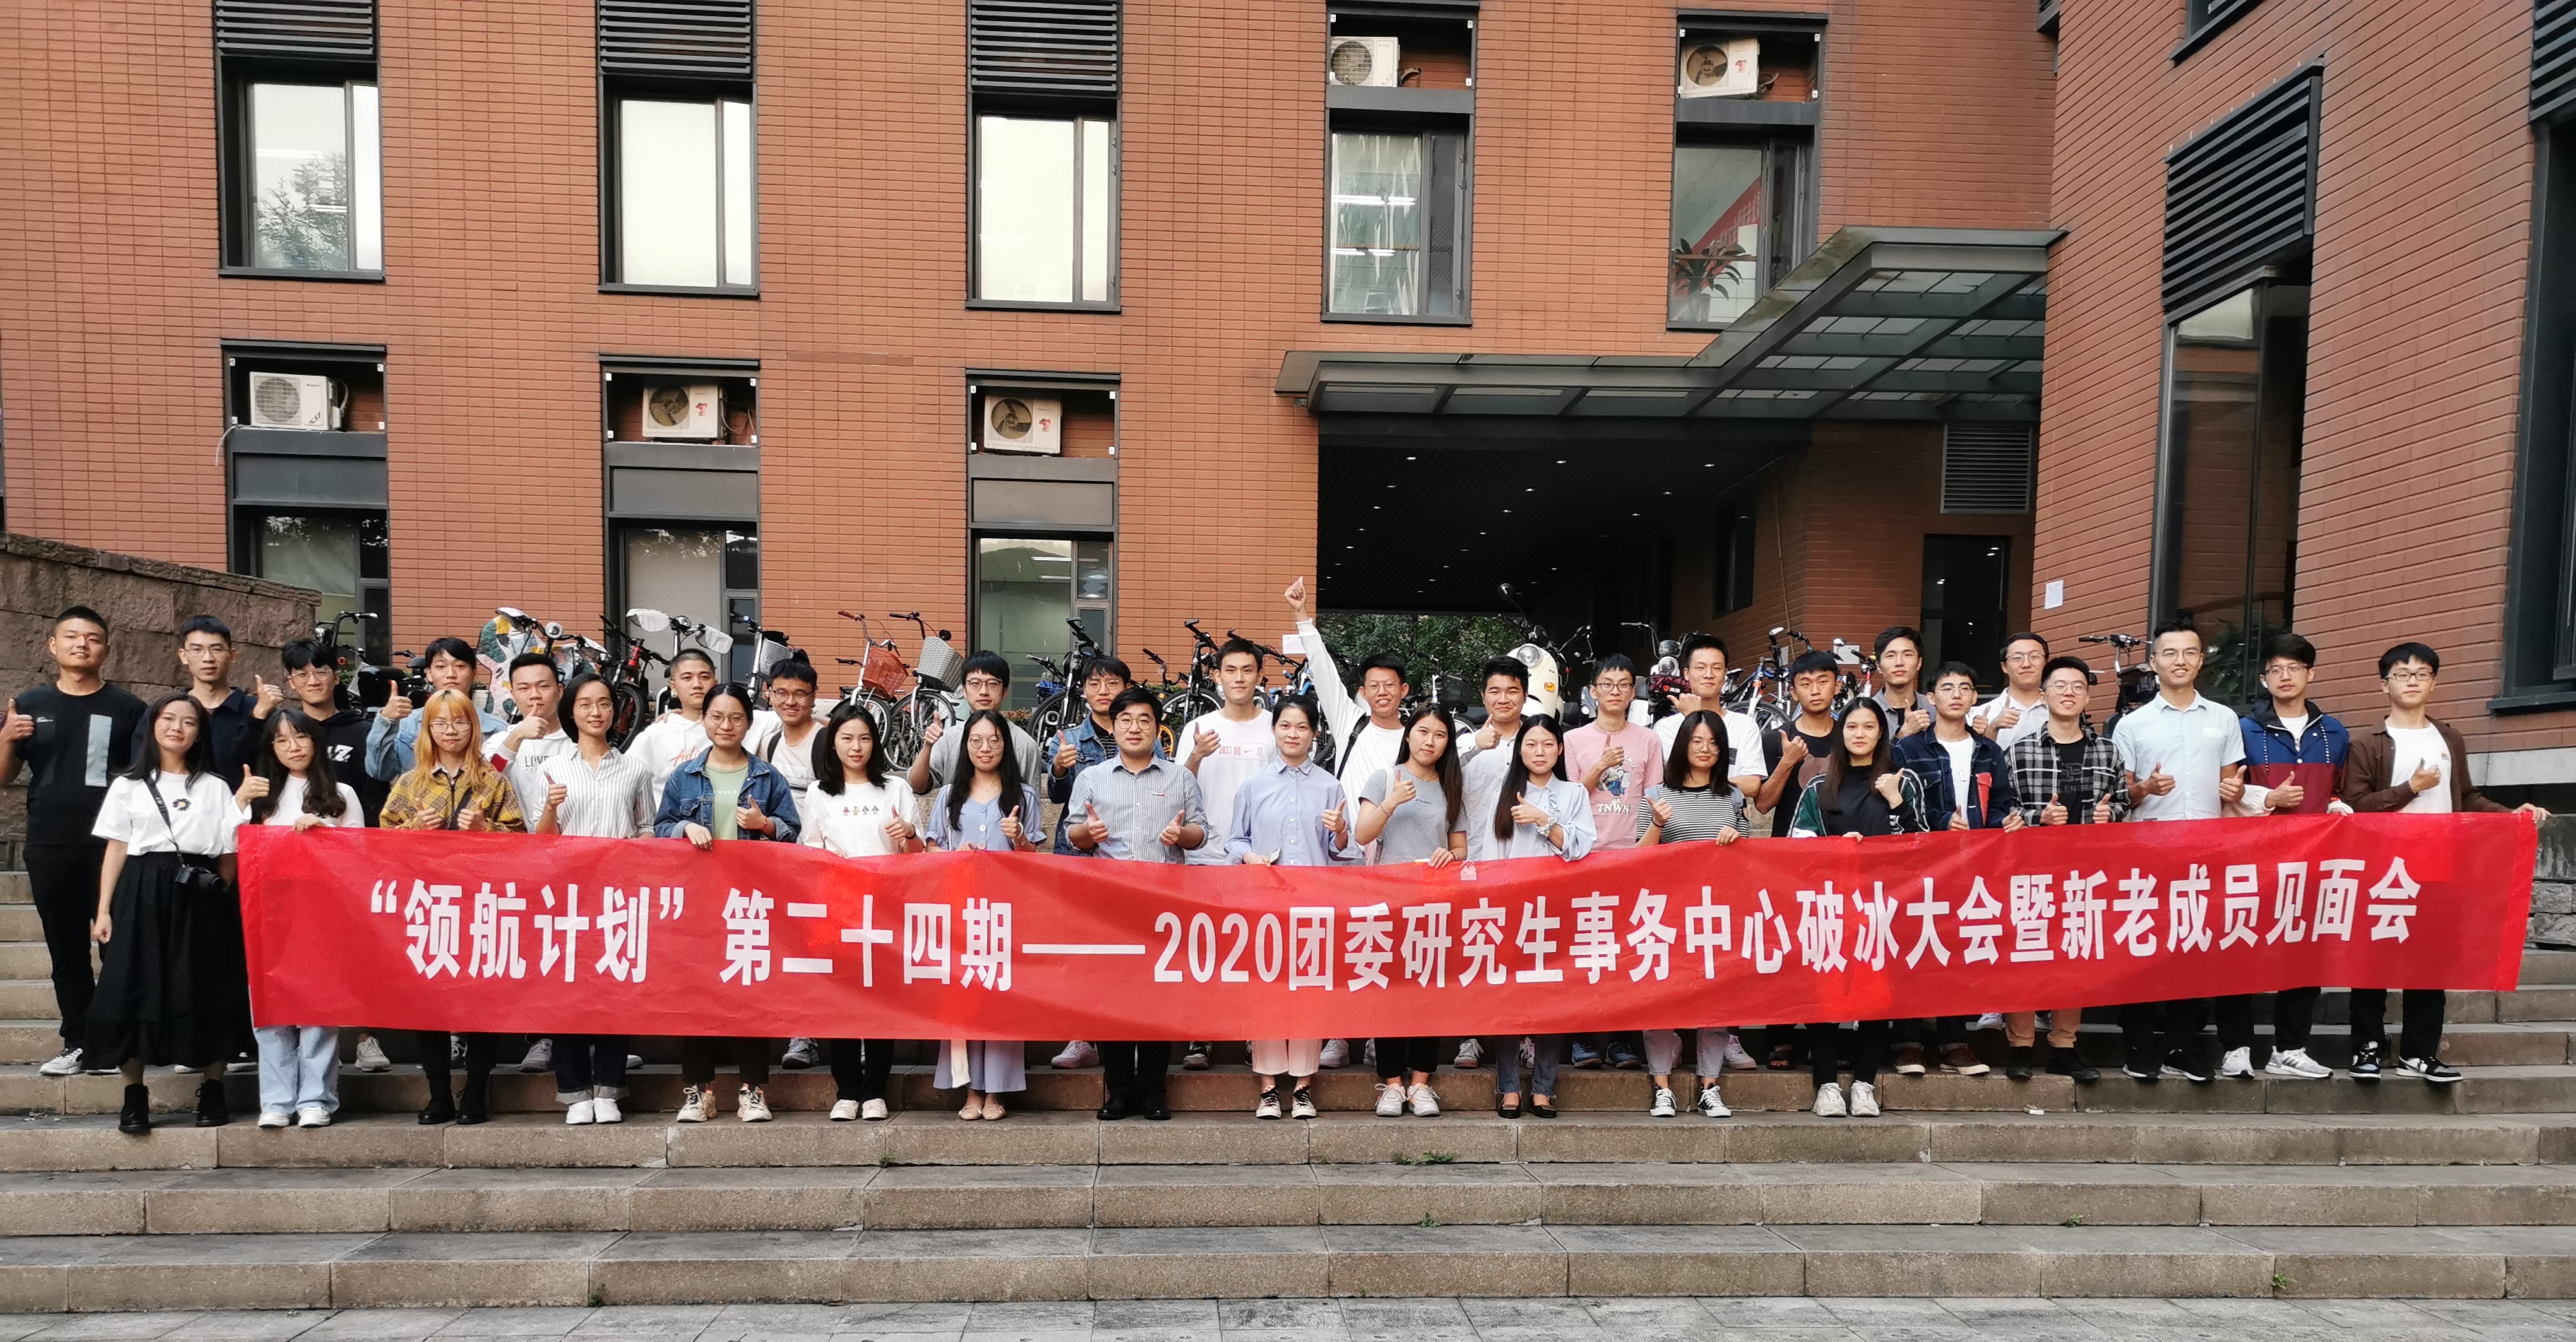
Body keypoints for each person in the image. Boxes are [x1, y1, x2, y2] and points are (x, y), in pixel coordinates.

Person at [2342, 642, 2550, 1084]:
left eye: (2422, 674)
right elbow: (2357, 805)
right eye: (2402, 674)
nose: (2412, 681)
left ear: (2434, 683)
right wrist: (2411, 788)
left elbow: (2467, 797)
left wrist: (2509, 814)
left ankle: (2420, 1053)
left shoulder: (2449, 738)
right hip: (2383, 869)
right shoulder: (2366, 742)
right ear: (2384, 685)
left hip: (2437, 864)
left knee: (2430, 962)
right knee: (2372, 961)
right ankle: (2367, 1047)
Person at [88, 693, 247, 1134]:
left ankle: (213, 1089)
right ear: (153, 725)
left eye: (189, 722)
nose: (177, 728)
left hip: (200, 892)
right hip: (140, 890)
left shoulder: (215, 787)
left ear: (200, 733)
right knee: (132, 986)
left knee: (207, 985)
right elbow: (116, 847)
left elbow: (229, 850)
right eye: (168, 719)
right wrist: (104, 909)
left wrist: (220, 893)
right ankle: (134, 1096)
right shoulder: (129, 785)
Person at [0, 606, 146, 1079]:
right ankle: (78, 1042)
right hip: (49, 842)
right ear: (53, 645)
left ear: (106, 648)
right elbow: (4, 777)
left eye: (93, 638)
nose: (82, 645)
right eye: (72, 636)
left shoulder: (129, 708)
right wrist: (6, 738)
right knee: (66, 950)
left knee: (117, 947)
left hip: (112, 845)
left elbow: (143, 779)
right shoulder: (29, 703)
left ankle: (117, 1043)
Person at [2109, 618, 2248, 1083]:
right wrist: (2145, 788)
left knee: (2193, 947)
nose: (2180, 661)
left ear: (2201, 660)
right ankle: (2139, 1043)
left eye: (2189, 652)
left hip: (2207, 849)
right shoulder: (2132, 724)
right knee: (2141, 944)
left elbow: (2232, 784)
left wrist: (2234, 789)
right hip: (2148, 850)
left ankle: (2182, 1045)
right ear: (2154, 663)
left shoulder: (2224, 719)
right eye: (2170, 653)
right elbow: (2122, 795)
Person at [656, 682, 801, 1122]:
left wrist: (765, 824)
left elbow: (793, 834)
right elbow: (660, 828)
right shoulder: (684, 776)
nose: (726, 725)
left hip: (750, 902)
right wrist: (683, 828)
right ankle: (698, 1091)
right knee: (696, 995)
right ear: (704, 720)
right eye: (717, 717)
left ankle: (753, 1090)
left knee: (750, 993)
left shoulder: (767, 777)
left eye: (736, 717)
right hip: (698, 903)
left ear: (748, 723)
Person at [379, 690, 525, 1124]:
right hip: (428, 907)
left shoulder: (493, 781)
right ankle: (438, 1095)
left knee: (482, 1001)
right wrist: (412, 828)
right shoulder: (410, 783)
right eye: (440, 723)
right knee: (428, 1003)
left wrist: (486, 828)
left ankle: (476, 1092)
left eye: (459, 722)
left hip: (481, 906)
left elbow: (522, 843)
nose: (450, 731)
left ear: (473, 727)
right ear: (427, 729)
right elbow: (380, 844)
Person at [1065, 687, 1206, 1120]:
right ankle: (1120, 1091)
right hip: (1111, 905)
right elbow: (1073, 833)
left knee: (1158, 999)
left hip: (1164, 905)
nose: (1134, 728)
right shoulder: (1092, 778)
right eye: (1125, 720)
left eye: (1145, 720)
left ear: (1158, 728)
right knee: (1114, 999)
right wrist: (1089, 834)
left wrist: (1181, 835)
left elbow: (1200, 832)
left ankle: (1153, 1091)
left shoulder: (1180, 778)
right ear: (1114, 726)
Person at [1785, 699, 1924, 1119]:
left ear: (1882, 732)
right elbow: (1796, 846)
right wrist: (1835, 848)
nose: (1859, 734)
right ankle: (1827, 1084)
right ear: (1840, 733)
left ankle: (1864, 1084)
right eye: (1851, 727)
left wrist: (1895, 801)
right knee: (1825, 995)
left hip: (1886, 907)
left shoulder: (1903, 781)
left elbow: (1922, 846)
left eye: (1868, 726)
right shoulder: (1818, 787)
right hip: (1831, 906)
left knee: (1876, 998)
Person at [2227, 633, 2354, 1083]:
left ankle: (2291, 1049)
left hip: (2312, 860)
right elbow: (2227, 791)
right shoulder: (2243, 729)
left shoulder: (2335, 733)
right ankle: (2236, 1046)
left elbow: (2340, 789)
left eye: (2294, 668)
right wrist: (2268, 797)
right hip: (2253, 857)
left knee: (2304, 952)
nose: (2285, 676)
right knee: (2239, 946)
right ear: (2264, 678)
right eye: (2276, 669)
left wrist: (2337, 805)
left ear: (2310, 674)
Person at [533, 672, 657, 1125]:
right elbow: (540, 840)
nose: (596, 712)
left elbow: (647, 828)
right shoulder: (552, 769)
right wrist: (550, 808)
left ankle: (608, 1089)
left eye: (604, 703)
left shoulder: (635, 769)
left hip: (618, 896)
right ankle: (573, 1091)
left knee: (614, 986)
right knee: (567, 991)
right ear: (571, 711)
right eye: (585, 704)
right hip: (567, 896)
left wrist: (636, 850)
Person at [1890, 661, 2022, 1079]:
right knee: (1915, 946)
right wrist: (1941, 819)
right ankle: (1908, 1042)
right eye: (1947, 688)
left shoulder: (1989, 751)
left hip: (1974, 866)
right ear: (1931, 698)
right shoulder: (1909, 749)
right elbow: (1900, 804)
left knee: (1959, 950)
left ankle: (1954, 1042)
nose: (1957, 695)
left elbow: (2000, 802)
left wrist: (2005, 820)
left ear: (1974, 698)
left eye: (1965, 688)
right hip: (1920, 863)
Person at [234, 709, 364, 1129]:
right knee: (269, 1010)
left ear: (316, 741)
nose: (293, 747)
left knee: (318, 1010)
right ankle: (276, 1101)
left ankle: (316, 1099)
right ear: (271, 747)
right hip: (268, 914)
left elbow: (361, 857)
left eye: (301, 737)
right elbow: (225, 844)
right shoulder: (260, 795)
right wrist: (239, 802)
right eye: (282, 740)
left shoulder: (341, 793)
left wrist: (325, 834)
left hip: (323, 914)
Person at [1225, 697, 1352, 1119]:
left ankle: (1302, 1087)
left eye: (1302, 727)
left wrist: (1340, 832)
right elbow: (1235, 840)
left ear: (1314, 734)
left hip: (1314, 906)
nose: (1293, 734)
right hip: (1266, 907)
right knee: (1267, 993)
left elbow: (1342, 852)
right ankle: (1267, 1087)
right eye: (1285, 725)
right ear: (1274, 730)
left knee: (1308, 995)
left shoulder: (1330, 787)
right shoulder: (1254, 785)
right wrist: (1250, 857)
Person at [2003, 655, 2123, 1083]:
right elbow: (2003, 810)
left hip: (2086, 871)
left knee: (2075, 954)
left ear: (2088, 697)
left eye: (2078, 687)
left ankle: (2064, 1046)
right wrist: (2038, 818)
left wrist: (2113, 815)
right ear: (2044, 695)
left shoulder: (2107, 750)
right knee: (2027, 954)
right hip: (2032, 870)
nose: (2069, 693)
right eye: (2060, 686)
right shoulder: (2019, 751)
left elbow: (2122, 802)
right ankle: (2020, 1046)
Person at [799, 704, 920, 1121]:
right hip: (839, 910)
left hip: (886, 910)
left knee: (881, 1000)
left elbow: (917, 855)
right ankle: (847, 1090)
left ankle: (875, 1091)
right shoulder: (819, 792)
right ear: (833, 744)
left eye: (865, 738)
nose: (857, 747)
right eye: (847, 738)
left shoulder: (896, 789)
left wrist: (909, 833)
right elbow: (811, 852)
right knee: (843, 1001)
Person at [921, 708, 1042, 1122]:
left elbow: (1034, 858)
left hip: (1007, 915)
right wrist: (953, 855)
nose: (985, 748)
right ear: (965, 746)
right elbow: (930, 849)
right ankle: (971, 1090)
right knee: (965, 1000)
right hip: (961, 913)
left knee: (1001, 1000)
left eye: (994, 740)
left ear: (1006, 745)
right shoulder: (948, 796)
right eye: (976, 741)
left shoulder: (1024, 796)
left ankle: (997, 1092)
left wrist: (1020, 838)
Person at [1635, 709, 1746, 1119]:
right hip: (1666, 914)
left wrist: (1737, 840)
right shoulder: (1657, 794)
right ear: (1682, 744)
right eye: (1697, 741)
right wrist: (1657, 825)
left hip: (1717, 913)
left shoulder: (1733, 796)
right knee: (1661, 999)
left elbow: (1752, 859)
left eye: (1714, 743)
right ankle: (1661, 1086)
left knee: (1716, 999)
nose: (1705, 750)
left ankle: (1710, 1086)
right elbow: (1637, 859)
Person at [1356, 704, 1465, 1117]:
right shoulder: (1386, 778)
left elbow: (1460, 846)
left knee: (1428, 993)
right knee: (1389, 992)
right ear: (1408, 735)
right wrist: (1391, 802)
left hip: (1434, 904)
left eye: (1439, 735)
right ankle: (1391, 1084)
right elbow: (1362, 833)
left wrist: (1450, 855)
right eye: (1422, 731)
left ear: (1447, 743)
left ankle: (1420, 1083)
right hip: (1387, 904)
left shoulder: (1451, 787)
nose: (1429, 741)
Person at [1487, 715, 1594, 1120]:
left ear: (1560, 749)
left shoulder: (1574, 793)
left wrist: (1544, 821)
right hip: (1513, 910)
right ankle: (1509, 1087)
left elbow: (1581, 847)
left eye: (1548, 744)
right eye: (1531, 744)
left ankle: (1544, 1088)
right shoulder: (1504, 793)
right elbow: (1493, 853)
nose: (1539, 752)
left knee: (1552, 997)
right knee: (1509, 999)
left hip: (1558, 910)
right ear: (1520, 750)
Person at [1043, 653, 1145, 1071]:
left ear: (1126, 688)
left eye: (1112, 683)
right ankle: (1081, 1036)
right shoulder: (1067, 739)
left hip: (1130, 858)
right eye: (1095, 684)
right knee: (1081, 948)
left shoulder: (1143, 733)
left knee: (1131, 950)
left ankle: (1133, 1030)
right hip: (1080, 857)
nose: (1104, 691)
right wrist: (1058, 768)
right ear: (1083, 690)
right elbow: (1056, 796)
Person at [1563, 655, 1659, 1069]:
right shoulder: (1573, 740)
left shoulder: (1649, 740)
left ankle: (1621, 1038)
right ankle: (1581, 1036)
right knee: (1582, 948)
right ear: (1593, 691)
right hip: (1583, 857)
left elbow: (1655, 798)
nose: (1615, 691)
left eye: (1623, 684)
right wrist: (1601, 765)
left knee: (1627, 950)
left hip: (1630, 858)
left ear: (1633, 691)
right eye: (1607, 684)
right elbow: (1568, 800)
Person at [1752, 649, 1843, 1070]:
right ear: (1792, 691)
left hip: (1839, 858)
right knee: (1787, 946)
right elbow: (1764, 803)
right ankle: (1781, 1037)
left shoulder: (1851, 733)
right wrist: (1788, 763)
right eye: (1805, 683)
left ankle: (1827, 1034)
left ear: (1836, 686)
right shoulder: (1776, 739)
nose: (1815, 690)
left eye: (1823, 681)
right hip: (1788, 861)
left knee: (1833, 947)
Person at [752, 660, 831, 1073]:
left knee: (822, 948)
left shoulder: (826, 740)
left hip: (823, 862)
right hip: (782, 861)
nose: (790, 701)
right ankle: (800, 1031)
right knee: (790, 948)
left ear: (814, 696)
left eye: (800, 693)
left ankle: (830, 1032)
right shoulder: (767, 744)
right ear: (769, 694)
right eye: (782, 693)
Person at [1453, 654, 1532, 1070]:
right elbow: (1441, 781)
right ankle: (1469, 1035)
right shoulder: (1466, 743)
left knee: (1521, 950)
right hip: (1475, 862)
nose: (1504, 699)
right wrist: (1472, 749)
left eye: (1512, 691)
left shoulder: (1537, 740)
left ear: (1524, 695)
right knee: (1474, 949)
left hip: (1525, 864)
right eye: (1495, 691)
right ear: (1483, 696)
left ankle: (1524, 1035)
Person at [367, 636, 508, 785]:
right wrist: (386, 720)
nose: (451, 674)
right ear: (429, 674)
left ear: (474, 673)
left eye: (460, 666)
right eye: (441, 667)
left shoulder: (498, 729)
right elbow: (379, 772)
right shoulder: (406, 725)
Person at [908, 651, 1044, 800]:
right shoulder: (949, 739)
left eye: (992, 684)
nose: (984, 691)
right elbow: (917, 786)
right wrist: (928, 746)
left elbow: (1032, 804)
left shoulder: (1025, 744)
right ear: (964, 691)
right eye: (975, 683)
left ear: (1005, 691)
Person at [1654, 636, 1770, 807]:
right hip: (1684, 816)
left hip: (1729, 820)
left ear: (1725, 674)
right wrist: (1693, 717)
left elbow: (1752, 785)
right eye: (1700, 668)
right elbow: (1678, 778)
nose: (1708, 675)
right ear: (1686, 673)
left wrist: (1701, 786)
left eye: (1716, 668)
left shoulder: (1745, 725)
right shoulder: (1667, 728)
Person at [623, 649, 732, 795]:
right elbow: (624, 781)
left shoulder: (736, 726)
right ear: (673, 687)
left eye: (704, 677)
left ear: (715, 683)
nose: (697, 684)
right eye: (687, 678)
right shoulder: (656, 735)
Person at [175, 616, 263, 780]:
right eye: (197, 650)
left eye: (216, 649)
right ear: (183, 656)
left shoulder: (258, 710)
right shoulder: (167, 712)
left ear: (232, 655)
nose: (208, 658)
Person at [1971, 632, 2052, 750]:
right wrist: (1991, 729)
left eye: (2034, 656)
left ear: (2045, 663)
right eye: (2017, 658)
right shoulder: (1980, 715)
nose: (2026, 664)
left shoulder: (2059, 710)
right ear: (2004, 667)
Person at [1871, 626, 1933, 740]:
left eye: (1907, 655)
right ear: (1879, 666)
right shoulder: (1866, 711)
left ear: (1919, 663)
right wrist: (1903, 734)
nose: (1899, 662)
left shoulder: (1934, 709)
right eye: (1891, 656)